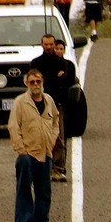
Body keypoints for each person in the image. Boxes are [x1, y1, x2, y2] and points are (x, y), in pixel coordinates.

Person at [10, 68, 59, 222]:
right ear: (26, 84)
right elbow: (13, 126)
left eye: (38, 81)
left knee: (44, 191)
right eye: (32, 82)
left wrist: (52, 140)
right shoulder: (20, 103)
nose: (36, 85)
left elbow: (55, 122)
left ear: (42, 82)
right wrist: (21, 150)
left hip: (45, 153)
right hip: (27, 154)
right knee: (24, 189)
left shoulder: (48, 100)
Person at [29, 33, 77, 182]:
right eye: (46, 44)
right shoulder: (35, 63)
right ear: (41, 45)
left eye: (51, 45)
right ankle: (41, 169)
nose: (49, 47)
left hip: (57, 105)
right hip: (38, 105)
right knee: (38, 137)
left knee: (59, 138)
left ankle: (59, 169)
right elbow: (35, 82)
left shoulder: (64, 64)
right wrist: (55, 78)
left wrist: (53, 80)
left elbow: (67, 82)